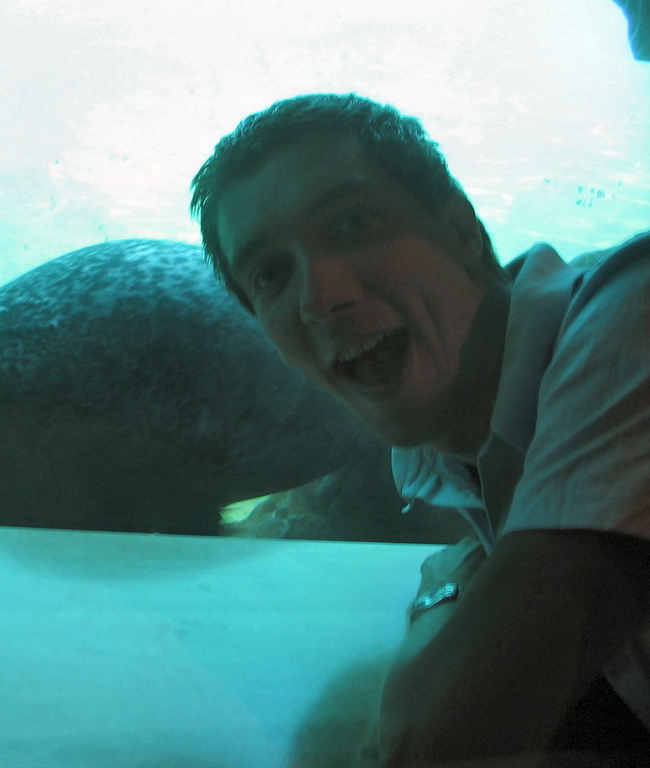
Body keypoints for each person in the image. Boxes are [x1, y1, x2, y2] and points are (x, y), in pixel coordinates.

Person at [190, 93, 650, 766]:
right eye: (270, 274)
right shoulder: (437, 455)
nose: (320, 297)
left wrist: (450, 588)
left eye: (353, 222)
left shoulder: (629, 309)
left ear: (463, 230)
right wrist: (456, 575)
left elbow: (434, 742)